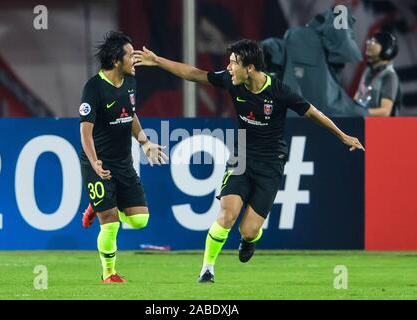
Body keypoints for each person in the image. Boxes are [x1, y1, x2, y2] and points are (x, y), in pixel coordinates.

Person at [134, 39, 365, 283]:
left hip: (271, 163)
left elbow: (312, 112)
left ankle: (248, 241)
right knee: (227, 214)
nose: (229, 68)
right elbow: (194, 74)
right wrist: (157, 60)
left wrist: (344, 136)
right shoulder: (232, 81)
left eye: (234, 63)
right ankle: (207, 269)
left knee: (249, 229)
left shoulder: (279, 91)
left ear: (251, 68)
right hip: (241, 157)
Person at [79, 31, 168, 283]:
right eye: (130, 56)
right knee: (111, 222)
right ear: (117, 61)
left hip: (123, 162)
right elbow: (85, 132)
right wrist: (95, 162)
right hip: (98, 164)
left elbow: (130, 114)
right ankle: (109, 274)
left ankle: (97, 206)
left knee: (140, 219)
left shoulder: (130, 82)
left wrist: (145, 142)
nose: (135, 60)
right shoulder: (93, 88)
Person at [354, 31, 401, 116]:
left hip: (378, 127)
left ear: (387, 50)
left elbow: (385, 112)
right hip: (361, 123)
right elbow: (357, 99)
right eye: (370, 41)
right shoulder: (368, 71)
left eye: (374, 42)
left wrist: (359, 112)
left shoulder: (389, 76)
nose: (368, 43)